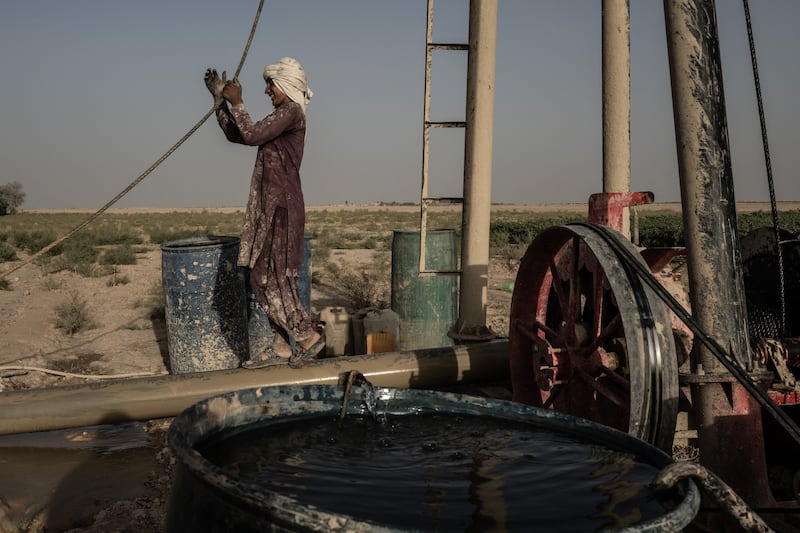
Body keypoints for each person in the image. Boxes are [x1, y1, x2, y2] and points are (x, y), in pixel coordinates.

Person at [203, 57, 324, 369]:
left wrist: (239, 102)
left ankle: (308, 337)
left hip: (281, 207)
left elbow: (252, 134)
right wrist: (221, 104)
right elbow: (241, 135)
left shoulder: (291, 112)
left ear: (286, 85)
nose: (267, 89)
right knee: (259, 276)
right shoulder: (280, 115)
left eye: (271, 84)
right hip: (268, 207)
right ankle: (282, 345)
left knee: (279, 279)